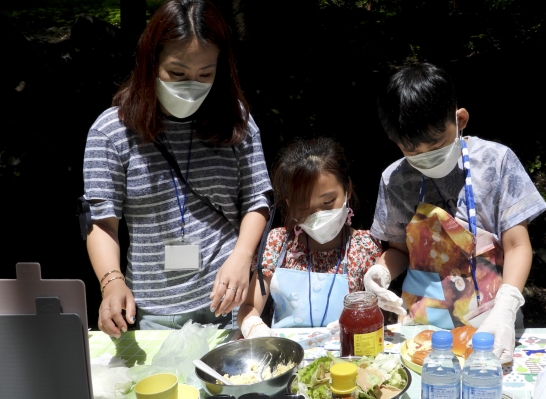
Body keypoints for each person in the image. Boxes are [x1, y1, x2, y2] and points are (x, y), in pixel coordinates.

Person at [82, 0, 271, 337]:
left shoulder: (235, 120)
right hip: (151, 310)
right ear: (150, 62)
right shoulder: (111, 132)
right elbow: (102, 222)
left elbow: (257, 199)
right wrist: (111, 282)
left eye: (205, 74)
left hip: (229, 303)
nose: (191, 85)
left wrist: (242, 256)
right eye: (177, 73)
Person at [371, 63, 546, 363]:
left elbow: (517, 245)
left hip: (493, 322)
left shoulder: (496, 162)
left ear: (460, 119)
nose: (426, 158)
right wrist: (381, 271)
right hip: (423, 328)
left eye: (437, 145)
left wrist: (506, 309)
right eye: (412, 152)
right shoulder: (395, 179)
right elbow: (400, 250)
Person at [237, 138, 406, 338]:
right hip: (288, 357)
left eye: (328, 202)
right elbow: (249, 306)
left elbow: (398, 260)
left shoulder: (365, 246)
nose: (317, 214)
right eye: (303, 207)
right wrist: (254, 328)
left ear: (347, 190)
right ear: (289, 204)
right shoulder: (278, 244)